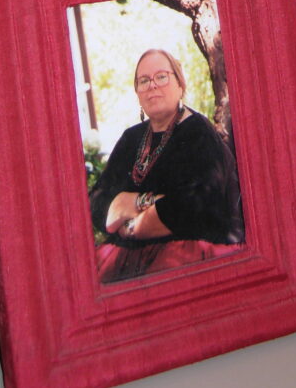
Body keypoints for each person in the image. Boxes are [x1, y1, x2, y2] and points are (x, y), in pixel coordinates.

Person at [89, 48, 244, 283]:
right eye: (144, 80)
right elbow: (96, 203)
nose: (152, 86)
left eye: (162, 76)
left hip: (188, 258)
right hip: (127, 258)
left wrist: (128, 213)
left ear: (180, 84)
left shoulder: (198, 133)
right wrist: (149, 202)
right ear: (138, 93)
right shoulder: (131, 139)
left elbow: (192, 207)